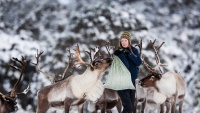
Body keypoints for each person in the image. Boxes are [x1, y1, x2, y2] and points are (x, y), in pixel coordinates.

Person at [114, 31, 142, 113]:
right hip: (122, 83)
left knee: (131, 107)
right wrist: (121, 55)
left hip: (132, 83)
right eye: (122, 41)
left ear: (129, 41)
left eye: (125, 40)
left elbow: (138, 62)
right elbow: (126, 66)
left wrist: (129, 54)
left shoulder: (134, 50)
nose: (123, 42)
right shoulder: (118, 52)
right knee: (128, 107)